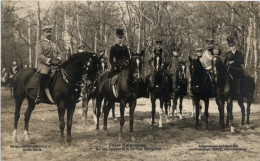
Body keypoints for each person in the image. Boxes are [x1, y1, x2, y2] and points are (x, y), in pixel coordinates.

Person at [35, 25, 62, 104]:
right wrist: (49, 61)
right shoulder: (40, 43)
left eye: (50, 32)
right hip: (44, 65)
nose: (49, 34)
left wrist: (58, 59)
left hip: (55, 65)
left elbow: (60, 53)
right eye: (47, 32)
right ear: (43, 33)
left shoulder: (54, 44)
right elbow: (39, 56)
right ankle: (39, 95)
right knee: (44, 74)